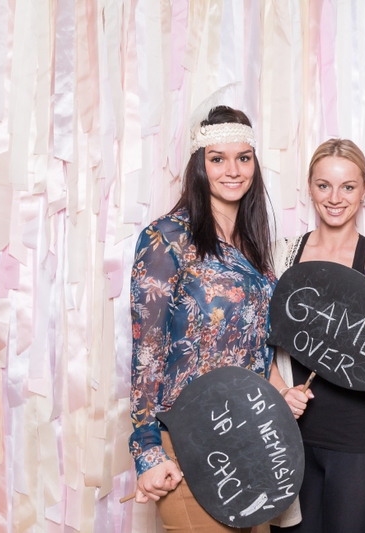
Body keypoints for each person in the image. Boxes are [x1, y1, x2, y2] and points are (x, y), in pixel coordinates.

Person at [129, 106, 275, 533]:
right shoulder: (167, 237)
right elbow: (147, 350)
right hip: (186, 441)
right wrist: (148, 452)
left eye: (243, 158)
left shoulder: (253, 245)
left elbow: (259, 345)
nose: (233, 170)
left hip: (248, 438)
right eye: (217, 159)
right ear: (199, 165)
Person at [268, 139, 365, 533]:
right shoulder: (281, 256)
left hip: (361, 447)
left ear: (364, 189)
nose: (335, 198)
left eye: (347, 187)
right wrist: (280, 388)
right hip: (291, 443)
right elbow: (255, 342)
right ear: (309, 187)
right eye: (324, 185)